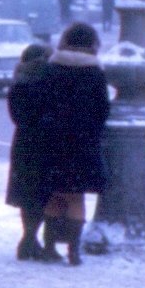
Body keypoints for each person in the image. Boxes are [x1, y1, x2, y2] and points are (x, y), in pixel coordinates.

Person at [20, 23, 110, 266]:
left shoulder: (51, 68)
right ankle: (73, 250)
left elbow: (39, 103)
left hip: (52, 141)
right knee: (76, 197)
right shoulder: (95, 72)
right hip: (83, 142)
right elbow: (102, 110)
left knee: (54, 195)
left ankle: (49, 246)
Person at [5, 44, 53, 260]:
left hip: (23, 141)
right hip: (44, 141)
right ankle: (32, 239)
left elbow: (16, 115)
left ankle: (28, 237)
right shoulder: (49, 80)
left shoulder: (19, 81)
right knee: (42, 194)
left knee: (26, 194)